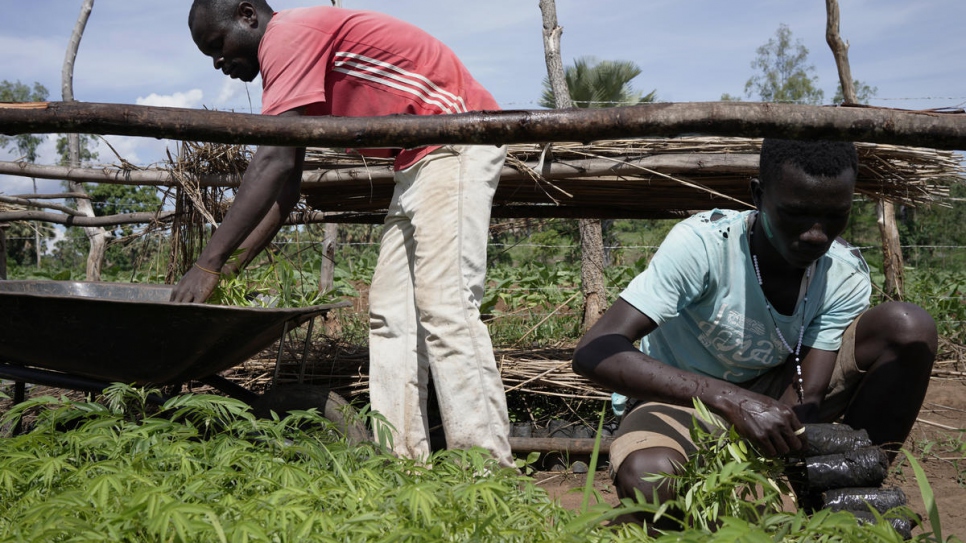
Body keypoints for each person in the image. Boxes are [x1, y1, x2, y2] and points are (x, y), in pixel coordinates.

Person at [176, 0, 514, 468]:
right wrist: (233, 265)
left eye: (218, 45)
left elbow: (271, 162)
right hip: (415, 161)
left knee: (447, 305)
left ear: (248, 16)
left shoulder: (288, 35)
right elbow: (287, 183)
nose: (218, 61)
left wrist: (206, 264)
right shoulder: (289, 56)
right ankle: (402, 462)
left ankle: (487, 469)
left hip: (455, 141)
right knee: (391, 314)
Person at [572, 139, 937, 525]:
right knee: (651, 477)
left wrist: (778, 448)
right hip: (676, 400)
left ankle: (845, 498)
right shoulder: (704, 246)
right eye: (796, 213)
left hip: (777, 396)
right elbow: (594, 350)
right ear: (759, 195)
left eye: (835, 216)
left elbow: (807, 395)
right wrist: (733, 401)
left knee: (907, 327)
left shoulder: (840, 273)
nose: (816, 234)